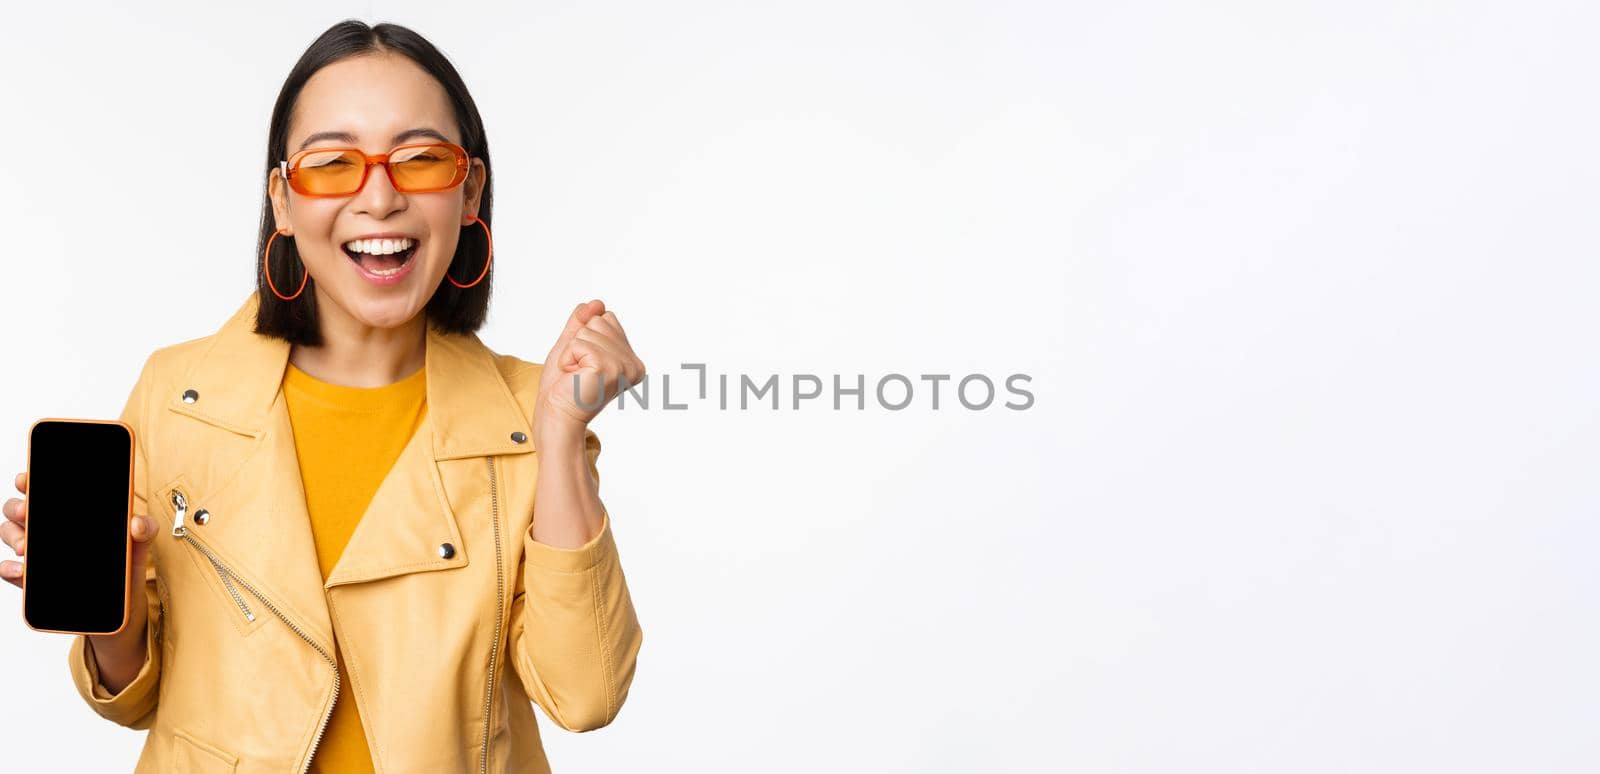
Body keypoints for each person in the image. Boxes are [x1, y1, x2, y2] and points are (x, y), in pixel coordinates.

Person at [0, 19, 645, 773]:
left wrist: (562, 432)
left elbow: (587, 694)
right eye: (333, 163)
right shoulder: (177, 395)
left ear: (469, 190)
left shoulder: (529, 414)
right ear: (282, 200)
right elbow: (132, 696)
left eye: (420, 159)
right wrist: (111, 607)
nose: (379, 198)